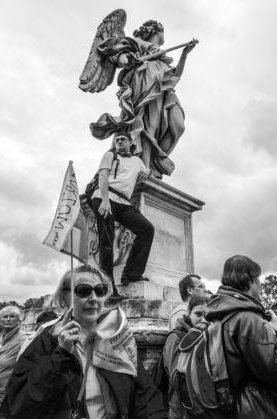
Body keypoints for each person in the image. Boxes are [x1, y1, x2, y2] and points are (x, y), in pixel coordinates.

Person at [6, 265, 167, 419]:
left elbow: (146, 398)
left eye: (100, 290)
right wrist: (60, 355)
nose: (94, 298)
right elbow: (20, 407)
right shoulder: (46, 341)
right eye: (83, 290)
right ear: (64, 297)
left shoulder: (117, 338)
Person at [90, 19, 197, 178]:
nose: (163, 36)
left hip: (164, 90)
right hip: (144, 82)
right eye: (162, 32)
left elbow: (176, 75)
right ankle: (144, 168)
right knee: (147, 127)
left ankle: (155, 162)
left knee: (178, 126)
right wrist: (129, 61)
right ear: (154, 31)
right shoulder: (138, 43)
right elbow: (119, 56)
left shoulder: (162, 59)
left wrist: (184, 54)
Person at [203, 255, 277, 418]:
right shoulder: (247, 320)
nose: (260, 285)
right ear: (250, 280)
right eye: (258, 280)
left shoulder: (219, 312)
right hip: (256, 409)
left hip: (232, 406)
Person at [91, 131, 155, 290]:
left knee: (147, 229)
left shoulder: (136, 160)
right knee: (107, 240)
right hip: (104, 198)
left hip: (124, 202)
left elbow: (145, 171)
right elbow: (103, 177)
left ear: (130, 142)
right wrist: (105, 201)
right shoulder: (109, 155)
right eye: (117, 140)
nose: (118, 142)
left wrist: (147, 172)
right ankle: (107, 285)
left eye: (122, 140)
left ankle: (131, 274)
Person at [163, 296, 207, 419]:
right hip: (182, 408)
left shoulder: (208, 335)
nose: (203, 319)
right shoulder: (176, 337)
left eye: (207, 315)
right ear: (189, 313)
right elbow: (176, 379)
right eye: (198, 314)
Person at [0, 306, 25, 418]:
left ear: (18, 320)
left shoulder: (23, 340)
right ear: (0, 321)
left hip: (7, 393)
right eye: (5, 317)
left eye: (12, 316)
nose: (8, 319)